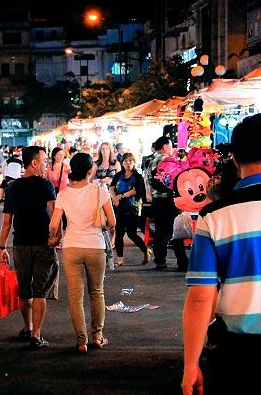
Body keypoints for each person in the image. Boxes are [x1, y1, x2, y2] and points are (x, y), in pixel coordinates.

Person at [181, 113, 261, 395]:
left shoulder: (213, 217)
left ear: (235, 160)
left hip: (241, 353)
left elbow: (201, 296)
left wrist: (191, 364)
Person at [50, 152, 116, 353]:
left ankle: (81, 340)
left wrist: (55, 235)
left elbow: (54, 224)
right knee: (96, 292)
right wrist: (102, 227)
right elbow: (112, 222)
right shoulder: (99, 192)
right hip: (95, 246)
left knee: (75, 295)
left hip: (71, 247)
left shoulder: (63, 195)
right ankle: (97, 336)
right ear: (90, 171)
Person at [0, 146, 61, 349]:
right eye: (43, 160)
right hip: (43, 243)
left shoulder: (12, 188)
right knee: (40, 290)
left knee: (24, 289)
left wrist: (2, 247)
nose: (46, 165)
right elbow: (53, 213)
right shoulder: (45, 185)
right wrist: (56, 236)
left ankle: (27, 327)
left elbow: (7, 222)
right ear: (33, 163)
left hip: (21, 244)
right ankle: (36, 335)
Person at [108, 153, 151, 266]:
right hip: (119, 208)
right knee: (120, 232)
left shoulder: (137, 177)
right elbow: (111, 187)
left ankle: (145, 250)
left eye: (131, 161)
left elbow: (135, 191)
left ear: (134, 163)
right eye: (126, 161)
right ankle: (120, 258)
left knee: (132, 233)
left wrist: (120, 196)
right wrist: (114, 197)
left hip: (133, 208)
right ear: (122, 163)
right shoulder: (118, 176)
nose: (128, 163)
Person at [147, 136, 179, 270]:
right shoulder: (168, 161)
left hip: (156, 200)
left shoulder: (150, 162)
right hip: (168, 198)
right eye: (170, 147)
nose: (171, 150)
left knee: (160, 230)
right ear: (165, 147)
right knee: (174, 230)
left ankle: (160, 260)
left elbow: (149, 182)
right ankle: (182, 260)